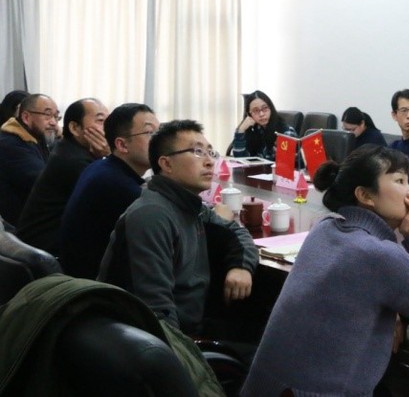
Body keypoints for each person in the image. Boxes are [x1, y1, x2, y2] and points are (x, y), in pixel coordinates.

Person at [241, 145, 409, 396]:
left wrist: (392, 310)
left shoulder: (325, 227)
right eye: (399, 181)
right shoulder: (379, 254)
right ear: (365, 195)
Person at [98, 119, 258, 336]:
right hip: (168, 339)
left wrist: (241, 266)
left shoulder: (189, 204)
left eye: (211, 153)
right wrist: (187, 354)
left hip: (193, 324)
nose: (210, 162)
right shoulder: (151, 216)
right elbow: (157, 314)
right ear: (166, 164)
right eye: (198, 152)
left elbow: (236, 232)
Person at [59, 103, 159, 278]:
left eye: (159, 133)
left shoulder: (102, 166)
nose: (160, 141)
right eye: (150, 133)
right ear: (122, 145)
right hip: (96, 287)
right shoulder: (119, 186)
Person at [16, 98, 110, 254]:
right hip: (46, 251)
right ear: (75, 128)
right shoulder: (74, 161)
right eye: (100, 121)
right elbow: (112, 196)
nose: (109, 128)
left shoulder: (69, 149)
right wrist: (111, 156)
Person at [0, 94, 60, 225]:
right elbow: (46, 184)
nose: (54, 123)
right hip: (19, 228)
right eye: (47, 115)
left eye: (56, 117)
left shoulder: (37, 137)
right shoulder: (10, 144)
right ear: (26, 117)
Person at [231, 90, 297, 160]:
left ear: (271, 108)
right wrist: (241, 130)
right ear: (249, 114)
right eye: (256, 110)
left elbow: (286, 162)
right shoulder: (255, 129)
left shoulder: (286, 133)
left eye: (265, 108)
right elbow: (240, 158)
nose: (261, 114)